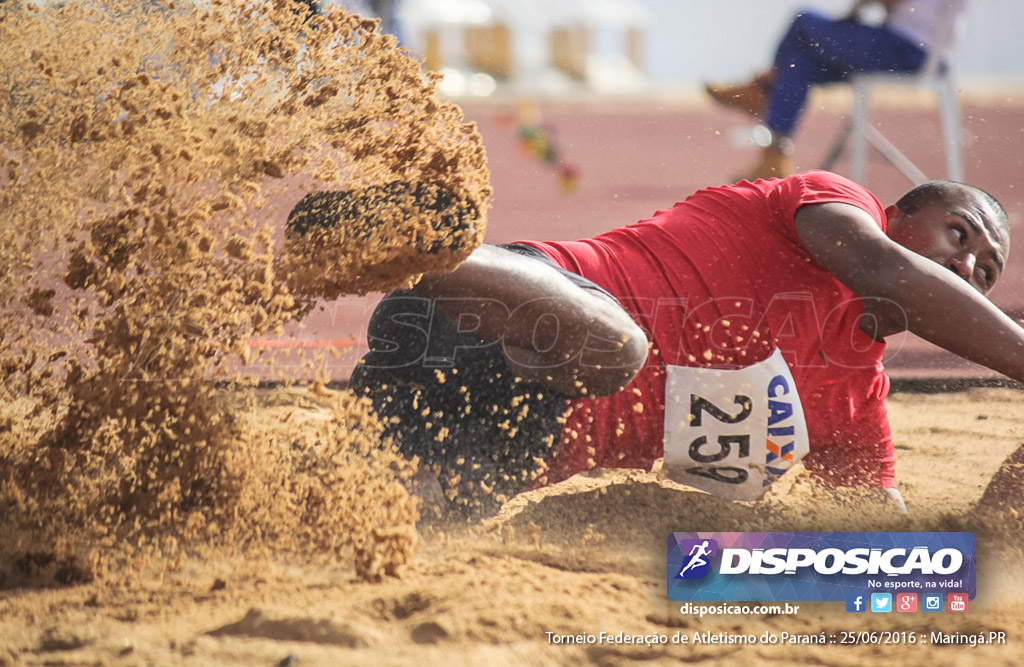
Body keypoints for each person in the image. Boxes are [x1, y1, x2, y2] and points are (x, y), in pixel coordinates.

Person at [289, 169, 1015, 517]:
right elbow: (885, 271)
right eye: (958, 236)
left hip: (499, 441)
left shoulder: (856, 405)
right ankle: (407, 245)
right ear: (896, 214)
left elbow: (881, 544)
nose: (963, 267)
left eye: (983, 273)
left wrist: (1003, 509)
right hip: (494, 317)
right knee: (616, 348)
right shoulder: (834, 208)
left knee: (391, 519)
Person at [705, 0, 976, 181]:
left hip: (907, 49)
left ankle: (764, 93)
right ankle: (773, 155)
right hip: (911, 49)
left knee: (803, 22)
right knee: (799, 63)